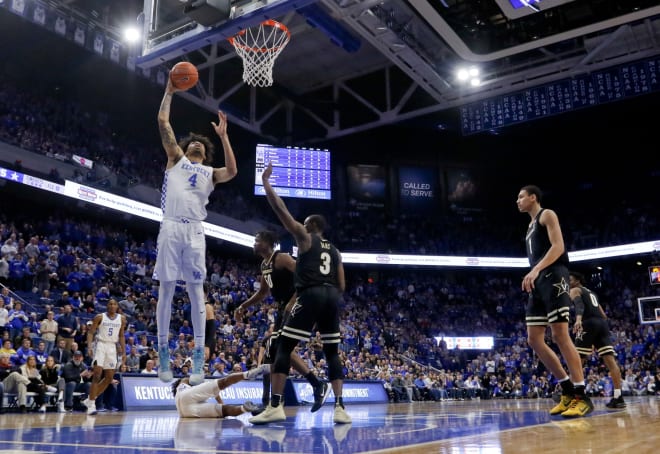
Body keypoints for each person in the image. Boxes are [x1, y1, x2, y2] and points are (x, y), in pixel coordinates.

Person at [154, 70, 238, 386]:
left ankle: (199, 360)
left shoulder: (210, 173)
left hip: (195, 232)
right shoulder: (176, 158)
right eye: (196, 145)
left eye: (204, 147)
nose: (199, 147)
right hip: (171, 227)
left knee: (196, 295)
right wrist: (170, 91)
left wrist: (224, 136)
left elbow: (232, 170)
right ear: (188, 148)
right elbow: (163, 124)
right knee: (165, 289)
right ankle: (163, 352)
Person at [249, 162, 350, 425]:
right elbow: (342, 284)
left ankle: (275, 405)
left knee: (283, 346)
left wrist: (267, 183)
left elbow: (280, 209)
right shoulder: (335, 250)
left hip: (310, 294)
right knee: (332, 353)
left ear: (309, 226)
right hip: (332, 297)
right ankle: (340, 408)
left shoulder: (305, 238)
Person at [516, 185, 593, 417]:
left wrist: (536, 269)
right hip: (538, 282)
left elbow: (558, 247)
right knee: (534, 339)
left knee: (560, 334)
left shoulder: (546, 214)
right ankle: (567, 390)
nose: (517, 201)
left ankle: (581, 395)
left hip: (554, 276)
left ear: (533, 197)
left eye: (520, 197)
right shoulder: (529, 226)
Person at [234, 230, 329, 415]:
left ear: (267, 243)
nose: (254, 243)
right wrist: (243, 306)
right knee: (272, 350)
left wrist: (294, 300)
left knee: (279, 347)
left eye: (257, 240)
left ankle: (314, 387)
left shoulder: (282, 258)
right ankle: (270, 401)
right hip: (282, 309)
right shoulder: (264, 265)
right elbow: (262, 293)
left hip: (298, 305)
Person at [568, 271, 626, 409]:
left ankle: (572, 395)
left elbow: (579, 305)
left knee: (578, 360)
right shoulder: (592, 293)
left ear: (577, 281)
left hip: (587, 323)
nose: (568, 283)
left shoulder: (575, 290)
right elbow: (603, 314)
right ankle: (618, 397)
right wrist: (597, 335)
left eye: (569, 280)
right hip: (602, 324)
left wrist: (579, 320)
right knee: (610, 361)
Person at [82, 298, 127, 415]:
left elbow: (121, 336)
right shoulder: (99, 317)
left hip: (112, 347)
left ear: (117, 306)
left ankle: (90, 399)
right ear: (107, 306)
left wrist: (124, 352)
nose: (112, 305)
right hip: (100, 345)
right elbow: (91, 332)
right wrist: (90, 347)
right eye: (110, 304)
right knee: (97, 375)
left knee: (109, 378)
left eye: (114, 304)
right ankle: (91, 405)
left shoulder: (121, 319)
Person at [172, 367, 266, 418]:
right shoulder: (183, 381)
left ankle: (244, 409)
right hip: (187, 396)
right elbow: (212, 389)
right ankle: (247, 374)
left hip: (185, 413)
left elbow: (214, 393)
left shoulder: (178, 392)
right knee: (222, 382)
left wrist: (222, 407)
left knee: (224, 411)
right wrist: (220, 402)